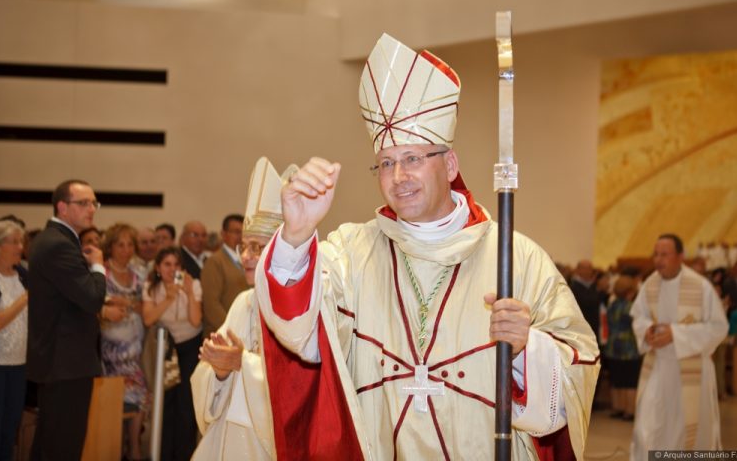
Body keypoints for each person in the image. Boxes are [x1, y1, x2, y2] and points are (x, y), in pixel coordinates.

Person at [252, 34, 599, 459]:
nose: (399, 176)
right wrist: (296, 236)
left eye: (413, 158)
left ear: (450, 165)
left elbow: (579, 365)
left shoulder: (516, 257)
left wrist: (527, 351)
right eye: (386, 163)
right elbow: (300, 336)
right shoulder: (351, 253)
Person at [191, 156, 295, 460]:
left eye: (257, 247)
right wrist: (220, 372)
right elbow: (208, 371)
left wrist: (241, 364)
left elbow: (299, 386)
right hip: (228, 432)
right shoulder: (243, 301)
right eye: (244, 246)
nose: (246, 256)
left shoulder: (298, 307)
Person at [27, 179, 107, 460]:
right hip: (65, 363)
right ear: (62, 207)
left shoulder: (56, 240)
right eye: (83, 203)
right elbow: (93, 298)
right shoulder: (58, 245)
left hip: (61, 362)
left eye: (94, 203)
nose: (92, 209)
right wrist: (98, 265)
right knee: (63, 446)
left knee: (50, 443)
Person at [630, 234, 728, 459]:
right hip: (658, 366)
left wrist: (676, 334)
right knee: (648, 426)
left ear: (680, 256)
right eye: (656, 254)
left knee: (689, 431)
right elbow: (638, 317)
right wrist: (647, 331)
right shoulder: (650, 284)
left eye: (664, 254)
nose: (658, 260)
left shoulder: (701, 286)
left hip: (691, 369)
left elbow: (718, 327)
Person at [142, 247, 202, 461]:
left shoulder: (193, 284)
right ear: (158, 268)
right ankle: (162, 454)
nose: (172, 269)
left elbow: (196, 321)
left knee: (186, 405)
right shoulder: (151, 287)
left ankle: (184, 455)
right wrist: (168, 298)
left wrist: (188, 294)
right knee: (165, 403)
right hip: (164, 349)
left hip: (189, 347)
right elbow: (148, 319)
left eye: (176, 265)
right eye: (167, 264)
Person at [101, 223, 149, 461]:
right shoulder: (102, 274)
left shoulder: (138, 274)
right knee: (113, 402)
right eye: (121, 244)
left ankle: (135, 449)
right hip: (111, 349)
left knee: (140, 397)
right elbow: (103, 303)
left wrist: (125, 302)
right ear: (110, 246)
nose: (126, 249)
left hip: (135, 345)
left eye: (130, 244)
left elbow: (144, 305)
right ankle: (114, 449)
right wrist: (123, 303)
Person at [0, 220, 29, 461]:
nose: (20, 247)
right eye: (13, 242)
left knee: (10, 426)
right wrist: (26, 299)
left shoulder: (25, 275)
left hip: (20, 364)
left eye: (21, 242)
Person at [200, 214, 248, 337]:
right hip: (221, 334)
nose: (240, 237)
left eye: (243, 232)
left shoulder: (247, 260)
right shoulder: (215, 262)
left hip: (244, 333)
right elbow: (211, 305)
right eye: (236, 232)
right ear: (223, 234)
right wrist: (232, 329)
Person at [604, 275, 641, 420]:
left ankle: (617, 408)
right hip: (629, 346)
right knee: (630, 380)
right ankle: (629, 410)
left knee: (617, 379)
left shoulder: (611, 305)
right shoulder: (631, 307)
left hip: (613, 345)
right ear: (630, 292)